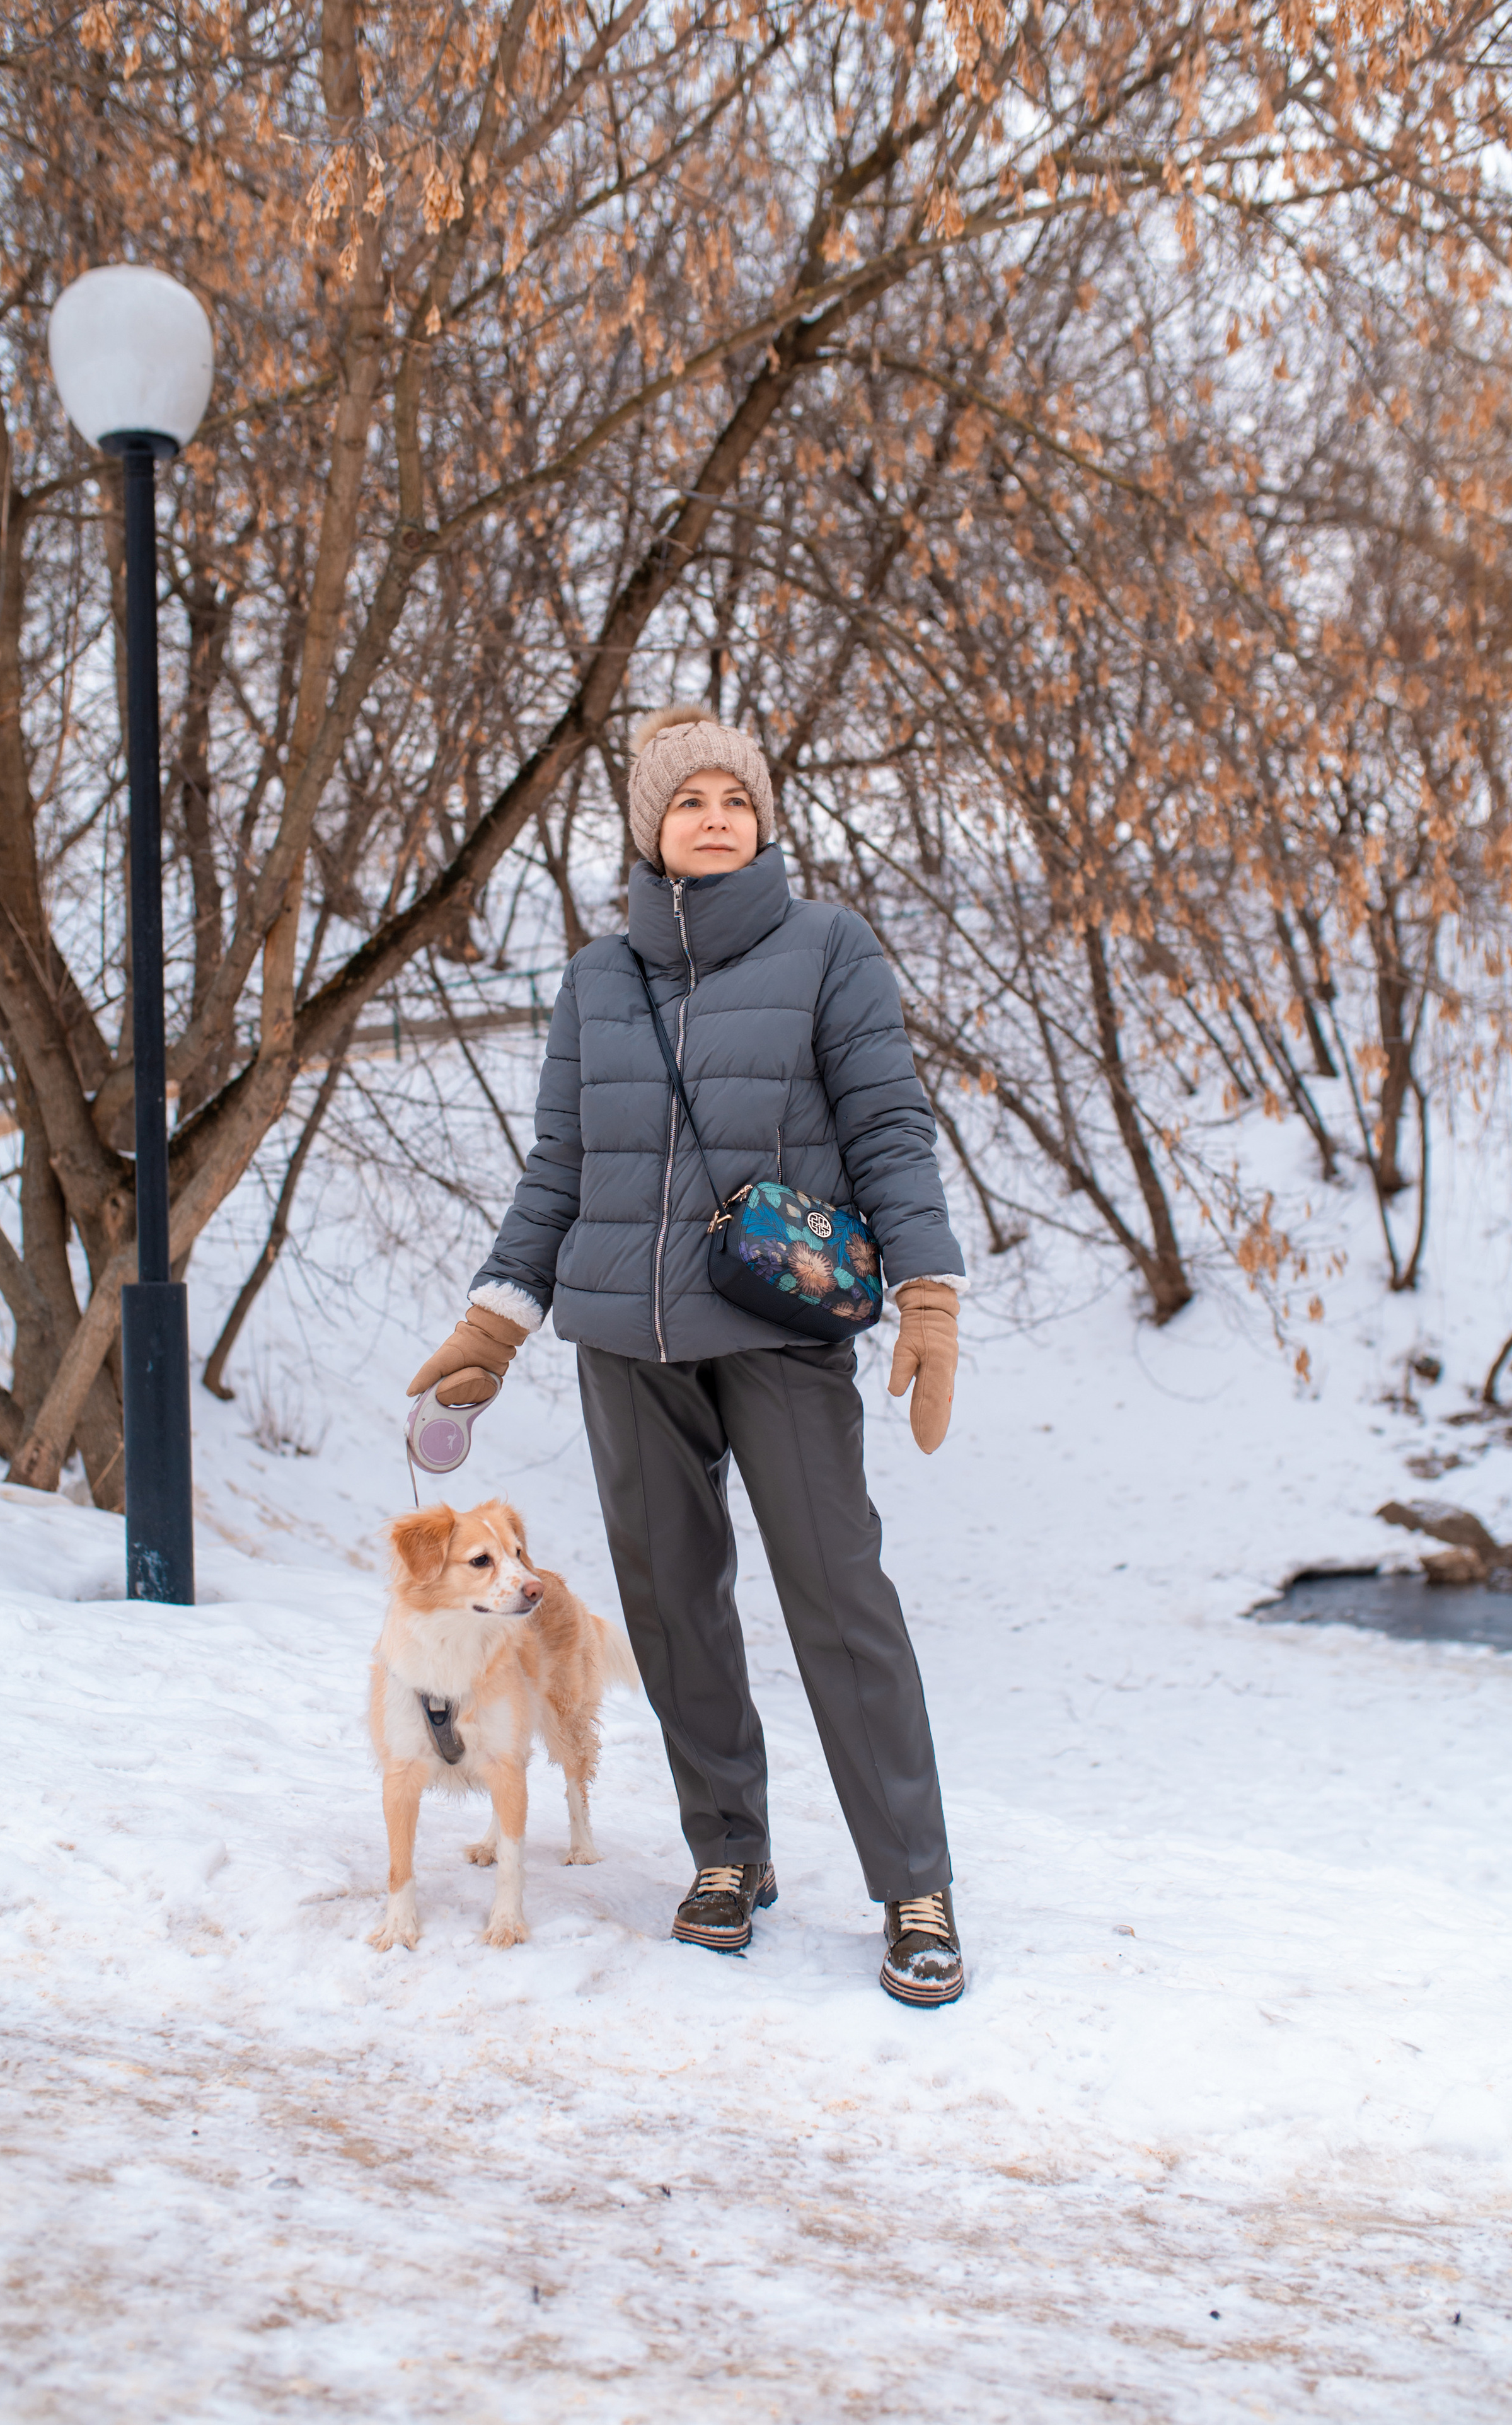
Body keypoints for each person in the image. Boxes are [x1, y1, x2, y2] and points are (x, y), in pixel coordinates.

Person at [407, 705, 968, 2006]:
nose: (712, 814)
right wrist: (497, 1318)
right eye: (685, 799)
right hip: (623, 1341)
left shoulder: (829, 949)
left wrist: (927, 1296)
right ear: (649, 829)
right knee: (670, 1609)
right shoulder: (599, 979)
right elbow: (561, 1162)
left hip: (776, 1329)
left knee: (840, 1600)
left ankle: (914, 1885)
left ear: (762, 819)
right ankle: (727, 1852)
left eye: (733, 795)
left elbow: (888, 1124)